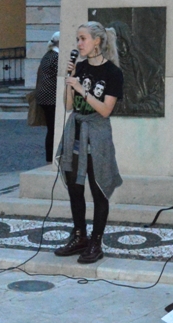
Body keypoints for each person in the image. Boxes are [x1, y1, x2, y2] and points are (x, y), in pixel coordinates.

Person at [53, 22, 124, 265]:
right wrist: (70, 81)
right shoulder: (80, 68)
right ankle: (80, 235)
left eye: (83, 39)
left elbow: (105, 110)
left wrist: (82, 90)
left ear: (97, 41)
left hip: (97, 134)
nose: (78, 44)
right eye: (77, 39)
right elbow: (69, 106)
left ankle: (96, 241)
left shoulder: (113, 73)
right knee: (74, 187)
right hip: (76, 131)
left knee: (98, 189)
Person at [35, 32, 60, 163]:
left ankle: (50, 157)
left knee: (51, 129)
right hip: (51, 98)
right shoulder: (56, 57)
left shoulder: (48, 55)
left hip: (44, 97)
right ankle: (51, 157)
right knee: (53, 129)